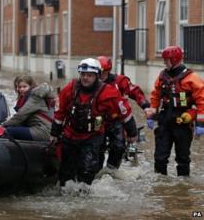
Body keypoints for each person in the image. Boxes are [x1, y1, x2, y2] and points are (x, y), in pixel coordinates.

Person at [50, 58, 137, 190]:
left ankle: (84, 197)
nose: (85, 78)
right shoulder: (70, 88)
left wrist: (132, 133)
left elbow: (125, 112)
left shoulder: (109, 92)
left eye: (89, 75)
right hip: (70, 134)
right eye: (83, 75)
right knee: (66, 174)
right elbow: (60, 112)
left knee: (87, 170)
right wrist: (54, 133)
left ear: (97, 75)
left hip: (92, 136)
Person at [144, 46, 204, 176]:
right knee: (160, 158)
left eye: (166, 60)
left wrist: (200, 123)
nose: (164, 62)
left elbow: (201, 100)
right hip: (165, 119)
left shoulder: (191, 78)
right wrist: (151, 114)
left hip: (182, 120)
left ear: (174, 59)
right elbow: (155, 95)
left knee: (183, 158)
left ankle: (183, 186)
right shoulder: (162, 76)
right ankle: (161, 184)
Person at [96, 56, 150, 179]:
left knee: (119, 145)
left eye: (103, 73)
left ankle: (111, 170)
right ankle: (96, 172)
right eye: (99, 73)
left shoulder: (119, 81)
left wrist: (145, 106)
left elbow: (135, 92)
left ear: (108, 71)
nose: (100, 76)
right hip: (98, 120)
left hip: (116, 119)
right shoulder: (90, 82)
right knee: (96, 146)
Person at [2, 75, 55, 141]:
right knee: (13, 128)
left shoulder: (34, 98)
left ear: (31, 86)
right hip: (40, 128)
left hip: (43, 131)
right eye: (19, 87)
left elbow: (20, 116)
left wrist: (3, 125)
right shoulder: (26, 98)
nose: (21, 89)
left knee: (9, 131)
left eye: (24, 87)